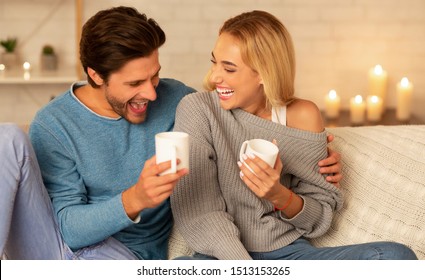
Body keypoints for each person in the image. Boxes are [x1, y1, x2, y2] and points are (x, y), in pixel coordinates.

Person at [0, 7, 341, 260]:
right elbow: (69, 228)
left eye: (154, 76)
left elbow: (235, 117)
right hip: (53, 248)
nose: (150, 94)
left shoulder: (178, 99)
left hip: (126, 259)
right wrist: (136, 199)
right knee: (7, 139)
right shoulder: (54, 123)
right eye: (134, 83)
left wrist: (313, 151)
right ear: (95, 75)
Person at [170, 10, 417, 260]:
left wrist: (277, 194)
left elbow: (320, 217)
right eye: (214, 62)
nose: (215, 77)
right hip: (220, 259)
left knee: (394, 256)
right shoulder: (198, 109)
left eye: (229, 68)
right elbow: (198, 211)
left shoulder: (303, 116)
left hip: (288, 255)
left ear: (264, 74)